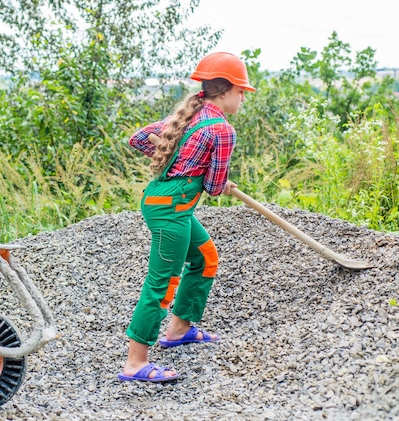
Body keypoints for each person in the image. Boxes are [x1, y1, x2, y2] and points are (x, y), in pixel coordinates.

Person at [118, 52, 256, 382]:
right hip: (172, 211)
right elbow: (213, 186)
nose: (242, 98)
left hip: (165, 203)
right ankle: (135, 362)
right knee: (162, 283)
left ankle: (179, 329)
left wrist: (172, 155)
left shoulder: (186, 116)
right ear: (225, 91)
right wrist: (211, 176)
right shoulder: (222, 130)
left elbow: (137, 137)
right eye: (241, 92)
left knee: (205, 257)